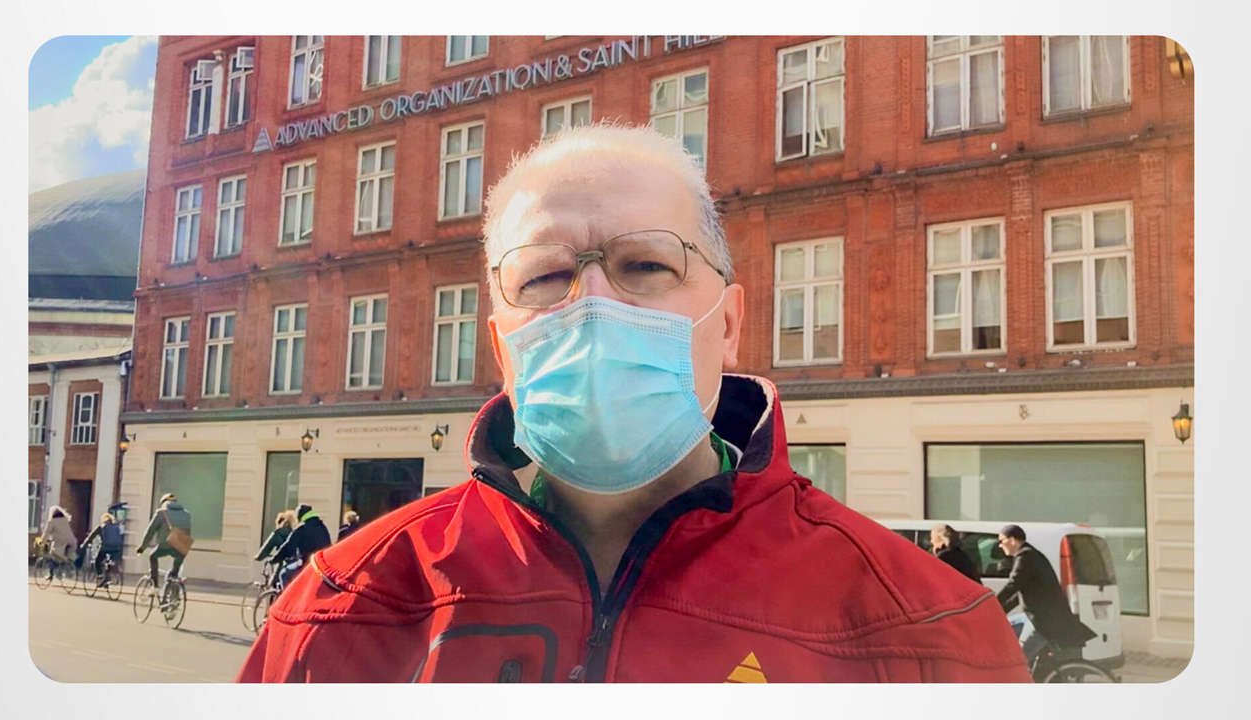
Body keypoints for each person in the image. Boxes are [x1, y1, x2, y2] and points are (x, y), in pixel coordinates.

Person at [239, 124, 1030, 683]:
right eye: (545, 277)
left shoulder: (925, 631)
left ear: (729, 325)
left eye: (646, 265)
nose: (593, 304)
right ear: (502, 347)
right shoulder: (344, 605)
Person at [995, 524, 1097, 668]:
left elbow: (1013, 585)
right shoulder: (1029, 554)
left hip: (1044, 621)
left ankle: (1018, 675)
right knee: (1002, 626)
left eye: (1001, 541)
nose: (999, 545)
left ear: (1012, 540)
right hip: (1034, 616)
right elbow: (1018, 593)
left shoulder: (1025, 556)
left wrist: (992, 603)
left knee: (1019, 660)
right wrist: (999, 611)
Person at [135, 493, 192, 592]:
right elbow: (188, 532)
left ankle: (155, 586)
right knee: (174, 572)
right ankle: (174, 587)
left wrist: (142, 547)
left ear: (163, 502)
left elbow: (150, 531)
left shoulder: (161, 513)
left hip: (166, 545)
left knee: (152, 556)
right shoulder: (187, 514)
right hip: (182, 546)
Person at [268, 504, 331, 591]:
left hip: (307, 564)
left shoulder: (302, 528)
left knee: (284, 574)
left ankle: (288, 597)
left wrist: (275, 559)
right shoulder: (322, 527)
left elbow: (288, 547)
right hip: (322, 565)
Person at [80, 513, 125, 586]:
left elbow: (91, 537)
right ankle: (108, 576)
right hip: (116, 548)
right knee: (110, 561)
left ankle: (100, 576)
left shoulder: (101, 527)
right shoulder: (116, 527)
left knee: (97, 561)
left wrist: (84, 545)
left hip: (105, 548)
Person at [40, 506, 78, 576]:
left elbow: (46, 533)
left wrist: (42, 541)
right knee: (61, 556)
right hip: (72, 541)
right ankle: (64, 568)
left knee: (53, 552)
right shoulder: (65, 520)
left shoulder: (52, 521)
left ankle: (63, 564)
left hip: (61, 542)